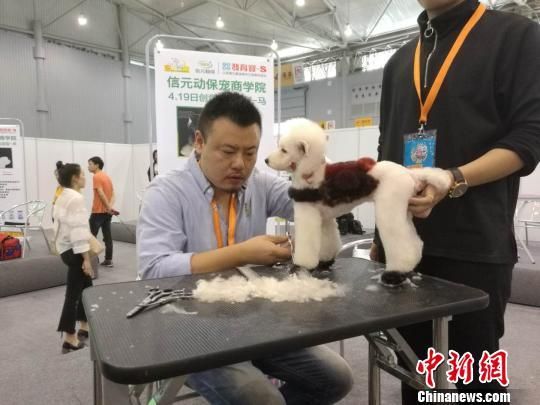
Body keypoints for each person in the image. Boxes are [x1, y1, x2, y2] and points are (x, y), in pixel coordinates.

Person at [137, 92, 353, 404]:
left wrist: (361, 182)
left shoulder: (259, 184)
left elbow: (316, 204)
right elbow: (154, 269)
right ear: (199, 142)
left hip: (252, 320)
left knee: (337, 379)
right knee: (263, 399)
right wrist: (241, 254)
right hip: (188, 328)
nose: (240, 164)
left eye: (250, 153)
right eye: (228, 152)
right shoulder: (166, 192)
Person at [373, 0, 540, 402]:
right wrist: (381, 238)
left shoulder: (514, 36)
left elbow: (528, 139)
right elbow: (386, 151)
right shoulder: (399, 62)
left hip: (474, 249)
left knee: (473, 384)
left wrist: (453, 179)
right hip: (403, 251)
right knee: (416, 381)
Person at [53, 161, 93, 354]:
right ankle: (69, 337)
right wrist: (86, 259)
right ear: (75, 178)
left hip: (65, 248)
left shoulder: (62, 194)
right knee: (73, 294)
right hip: (74, 250)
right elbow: (78, 231)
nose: (85, 177)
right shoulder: (76, 198)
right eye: (82, 174)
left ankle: (85, 325)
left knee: (86, 287)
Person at [88, 156, 115, 267]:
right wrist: (110, 208)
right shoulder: (107, 176)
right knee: (107, 237)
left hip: (97, 212)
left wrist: (108, 207)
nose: (88, 166)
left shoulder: (96, 177)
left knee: (91, 237)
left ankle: (93, 261)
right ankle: (108, 260)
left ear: (97, 165)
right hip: (106, 213)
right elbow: (113, 194)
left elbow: (100, 193)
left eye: (90, 164)